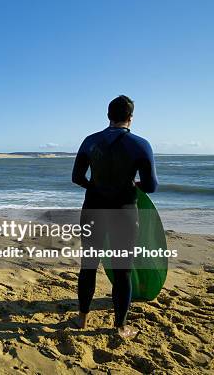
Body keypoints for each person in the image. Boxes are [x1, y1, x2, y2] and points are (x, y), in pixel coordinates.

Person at [71, 95, 158, 338]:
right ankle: (120, 326)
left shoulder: (90, 141)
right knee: (122, 270)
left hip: (92, 209)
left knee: (88, 265)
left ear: (108, 115)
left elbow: (76, 177)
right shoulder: (141, 144)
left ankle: (82, 319)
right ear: (131, 117)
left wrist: (97, 187)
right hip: (124, 213)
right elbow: (151, 186)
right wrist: (132, 184)